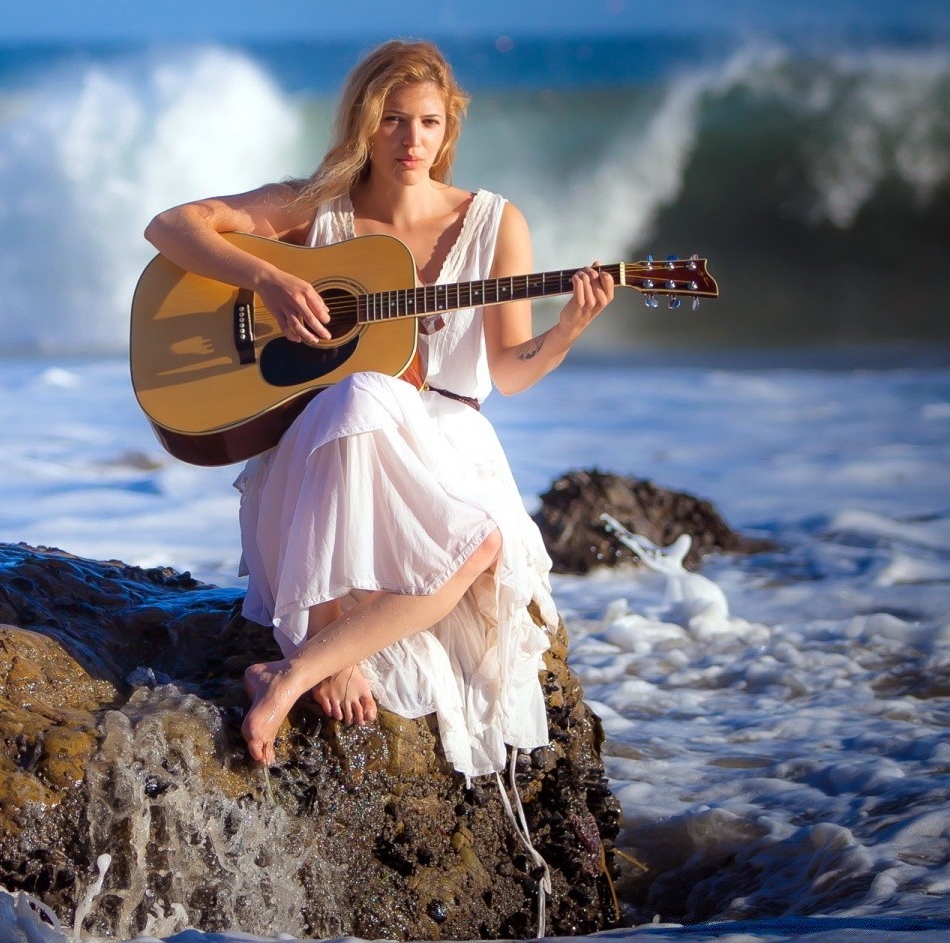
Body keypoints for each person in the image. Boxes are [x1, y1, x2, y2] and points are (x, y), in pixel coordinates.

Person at [142, 40, 615, 773]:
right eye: (393, 120)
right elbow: (172, 226)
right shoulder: (316, 208)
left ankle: (293, 671)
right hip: (330, 450)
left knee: (484, 542)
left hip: (447, 444)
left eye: (427, 122)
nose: (412, 140)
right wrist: (265, 278)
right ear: (364, 123)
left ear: (448, 128)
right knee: (363, 392)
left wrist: (566, 330)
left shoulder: (494, 224)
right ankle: (329, 636)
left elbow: (509, 372)